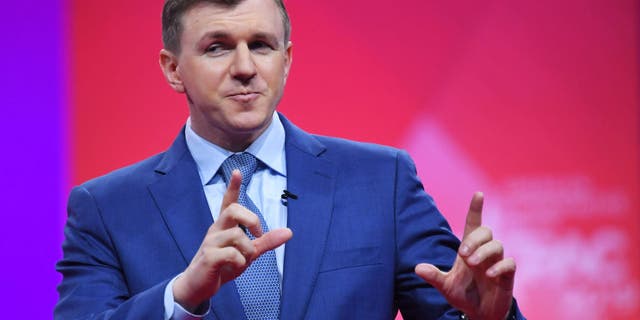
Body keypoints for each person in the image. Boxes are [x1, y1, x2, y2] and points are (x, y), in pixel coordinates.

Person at [55, 0, 526, 319]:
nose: (244, 67)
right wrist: (181, 297)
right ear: (173, 68)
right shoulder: (106, 208)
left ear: (287, 59)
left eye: (261, 45)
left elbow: (462, 303)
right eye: (216, 47)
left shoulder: (382, 182)